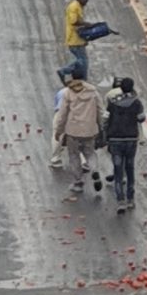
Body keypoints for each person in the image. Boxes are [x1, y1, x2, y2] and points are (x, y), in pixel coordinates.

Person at [52, 67, 106, 197]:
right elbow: (100, 111)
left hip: (73, 131)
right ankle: (94, 170)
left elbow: (62, 114)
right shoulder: (93, 92)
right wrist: (101, 126)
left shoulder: (68, 93)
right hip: (90, 130)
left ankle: (78, 182)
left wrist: (59, 131)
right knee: (90, 153)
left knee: (74, 156)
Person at [105, 76, 145, 213]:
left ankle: (120, 201)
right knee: (130, 168)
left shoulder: (113, 102)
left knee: (118, 170)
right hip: (131, 139)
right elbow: (141, 119)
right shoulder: (136, 102)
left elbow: (105, 119)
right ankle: (130, 199)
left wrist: (105, 135)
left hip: (115, 140)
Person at [63, 0, 93, 79]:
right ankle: (65, 71)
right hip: (74, 40)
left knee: (82, 61)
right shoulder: (74, 6)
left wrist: (84, 40)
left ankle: (80, 78)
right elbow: (74, 21)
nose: (87, 0)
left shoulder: (79, 7)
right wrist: (86, 24)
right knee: (83, 61)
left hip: (78, 40)